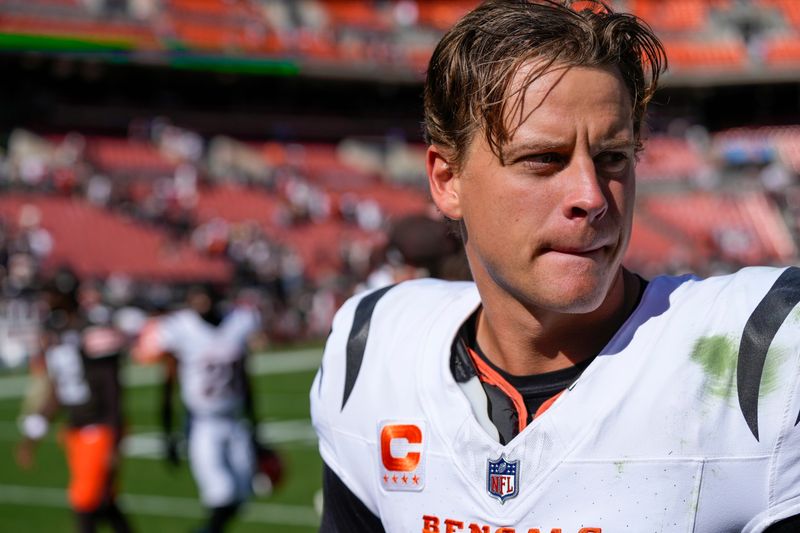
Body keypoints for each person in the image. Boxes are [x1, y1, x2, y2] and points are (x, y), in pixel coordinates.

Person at [310, 1, 800, 532]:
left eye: (613, 157)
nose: (591, 196)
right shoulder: (371, 354)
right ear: (447, 179)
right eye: (543, 159)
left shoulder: (759, 356)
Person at [133, 284, 264, 533]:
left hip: (235, 421)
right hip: (202, 424)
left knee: (241, 497)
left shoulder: (238, 322)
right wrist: (168, 434)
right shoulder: (181, 328)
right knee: (222, 496)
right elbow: (168, 383)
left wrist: (256, 428)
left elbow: (246, 380)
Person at [16, 279, 134, 533]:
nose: (47, 301)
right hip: (76, 429)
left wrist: (114, 436)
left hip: (99, 425)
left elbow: (112, 388)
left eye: (51, 294)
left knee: (85, 501)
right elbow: (57, 391)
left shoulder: (93, 330)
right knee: (104, 502)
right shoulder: (55, 334)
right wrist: (33, 435)